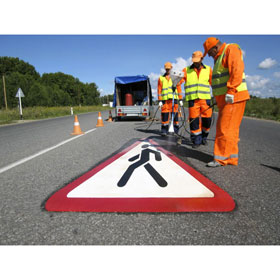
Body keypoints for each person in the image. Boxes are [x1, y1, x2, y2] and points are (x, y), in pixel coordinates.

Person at [203, 37, 250, 167]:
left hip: (233, 97)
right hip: (228, 99)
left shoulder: (231, 49)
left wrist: (231, 91)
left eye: (209, 53)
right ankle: (230, 158)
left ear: (215, 48)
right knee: (231, 130)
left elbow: (237, 69)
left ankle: (220, 159)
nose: (209, 56)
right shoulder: (219, 58)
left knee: (224, 129)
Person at [178, 51, 213, 148]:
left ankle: (204, 137)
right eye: (194, 61)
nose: (196, 62)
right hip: (193, 100)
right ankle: (196, 141)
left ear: (202, 59)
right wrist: (175, 82)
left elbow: (213, 83)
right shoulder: (186, 70)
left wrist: (219, 96)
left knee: (207, 120)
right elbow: (178, 82)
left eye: (198, 60)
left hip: (205, 99)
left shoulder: (208, 70)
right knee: (194, 121)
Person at [158, 62, 183, 136]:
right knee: (165, 115)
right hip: (165, 100)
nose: (167, 70)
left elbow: (179, 89)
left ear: (171, 68)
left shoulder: (175, 77)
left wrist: (181, 99)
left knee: (175, 116)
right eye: (166, 69)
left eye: (169, 69)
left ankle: (175, 130)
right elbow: (159, 89)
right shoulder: (161, 78)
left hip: (174, 99)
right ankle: (164, 130)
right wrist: (159, 100)